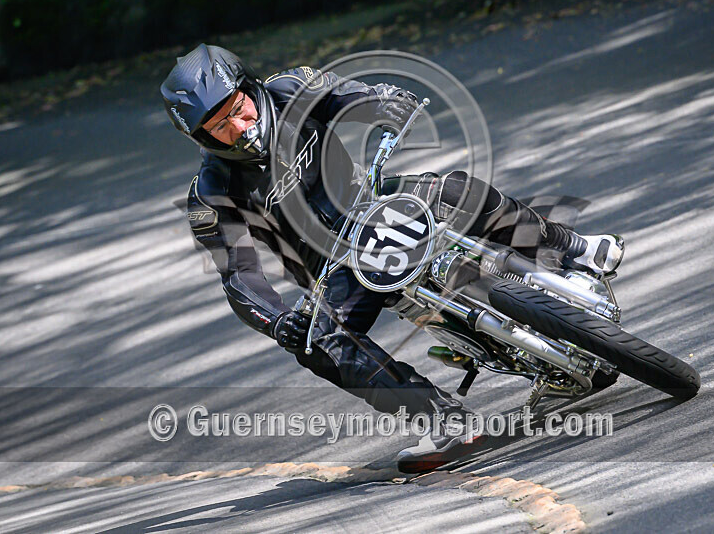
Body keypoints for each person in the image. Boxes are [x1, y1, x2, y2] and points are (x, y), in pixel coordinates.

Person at [161, 44, 624, 473]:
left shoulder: (289, 89)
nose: (239, 128)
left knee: (461, 190)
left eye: (238, 109)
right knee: (320, 346)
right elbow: (239, 275)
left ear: (250, 87)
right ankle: (444, 419)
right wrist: (278, 321)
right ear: (199, 136)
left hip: (376, 201)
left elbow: (346, 96)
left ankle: (574, 248)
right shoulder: (211, 193)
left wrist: (381, 101)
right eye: (219, 126)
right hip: (334, 267)